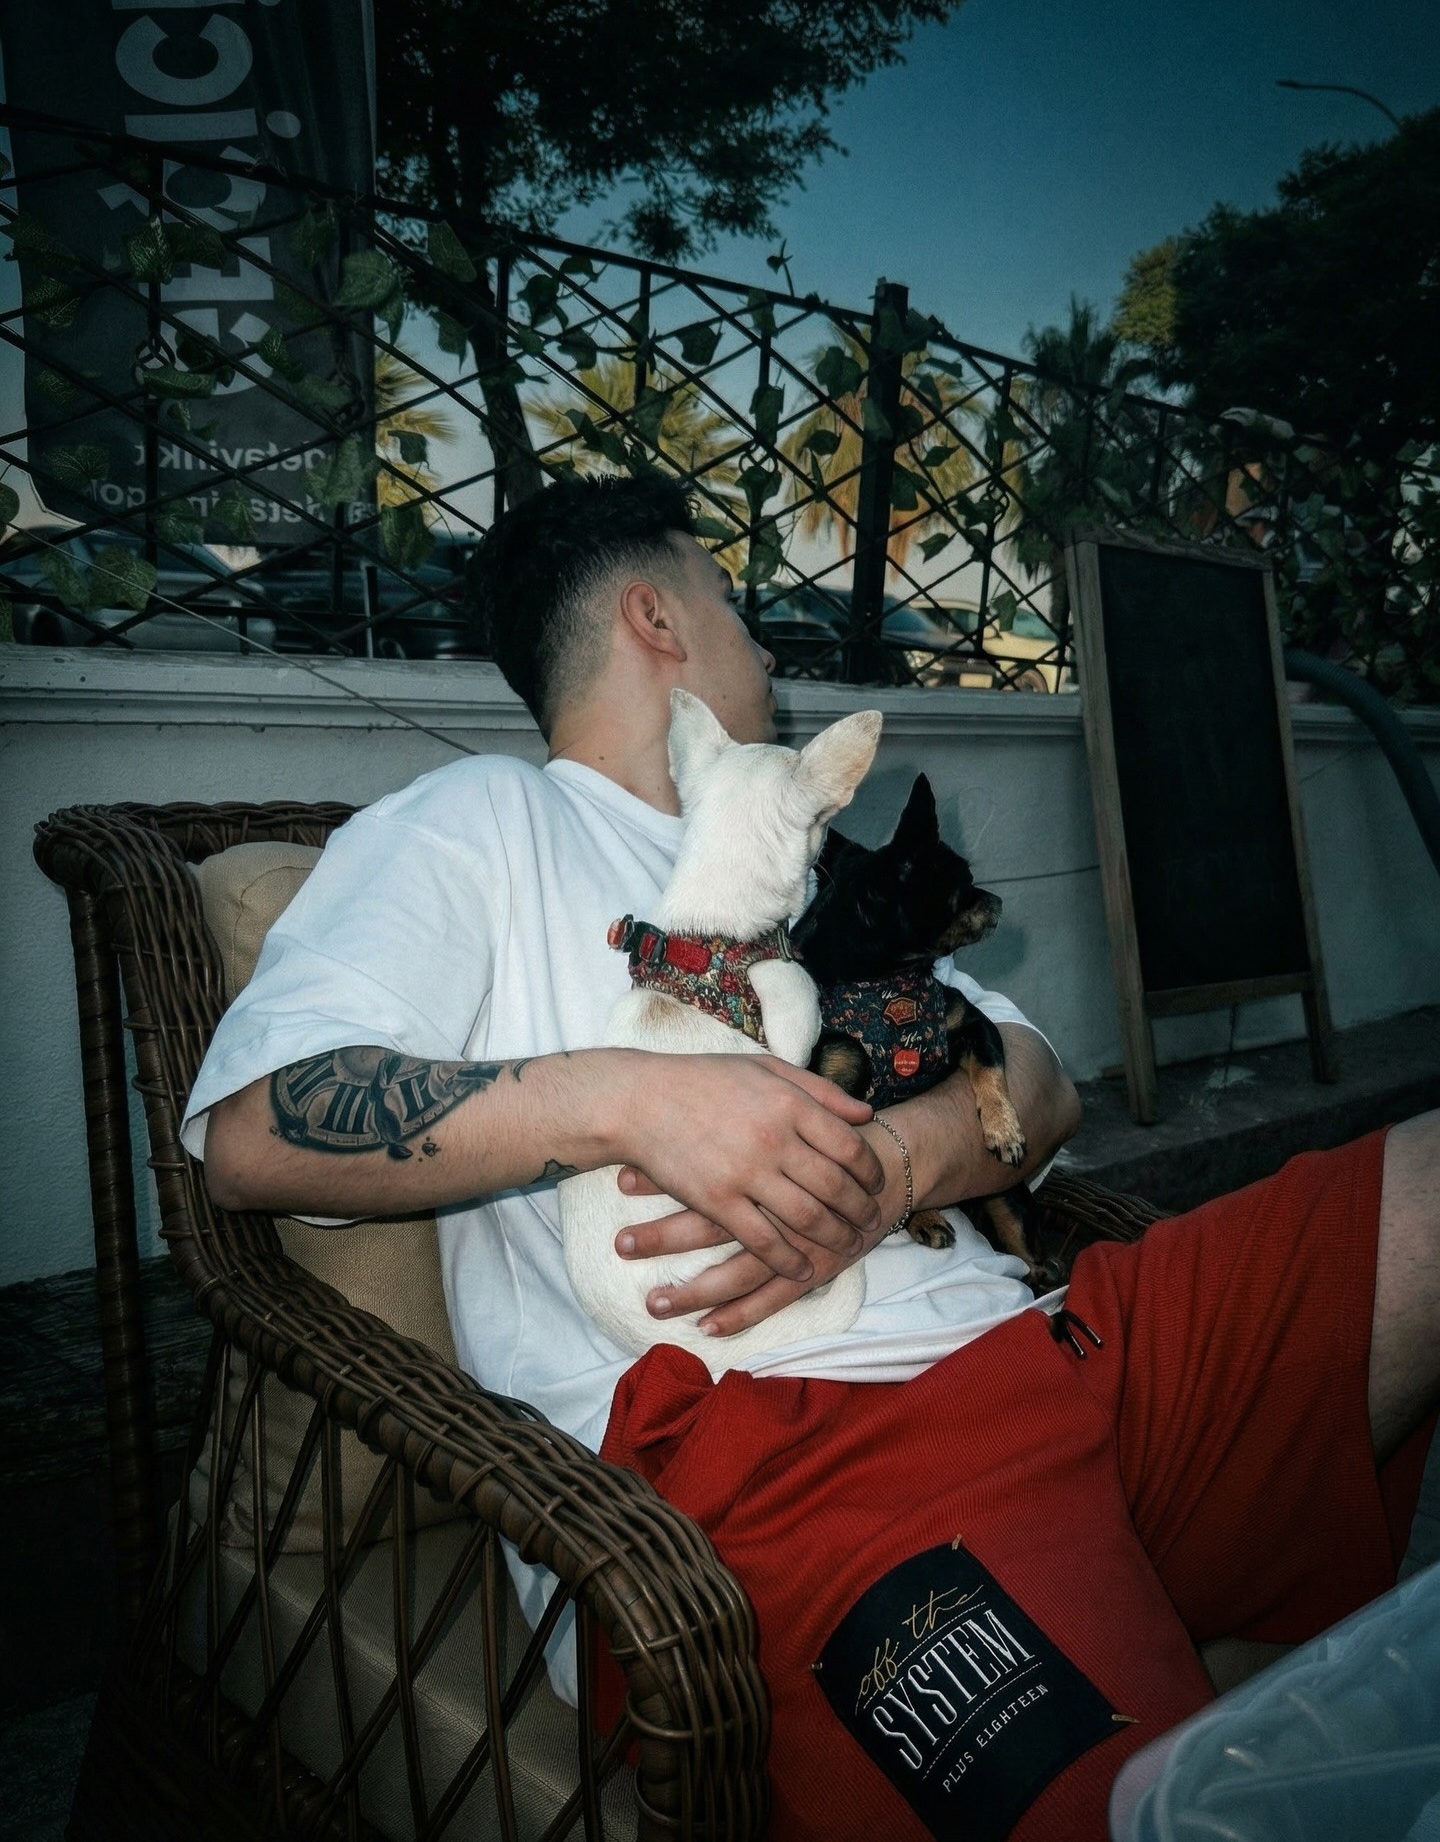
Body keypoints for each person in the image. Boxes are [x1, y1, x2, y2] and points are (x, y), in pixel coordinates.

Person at [188, 473, 1440, 1842]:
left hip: (1075, 1347)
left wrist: (891, 1169)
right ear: (656, 615)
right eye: (732, 598)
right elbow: (256, 1129)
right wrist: (631, 1101)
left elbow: (1034, 1081)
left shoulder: (814, 851)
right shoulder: (480, 822)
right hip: (806, 1457)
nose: (768, 646)